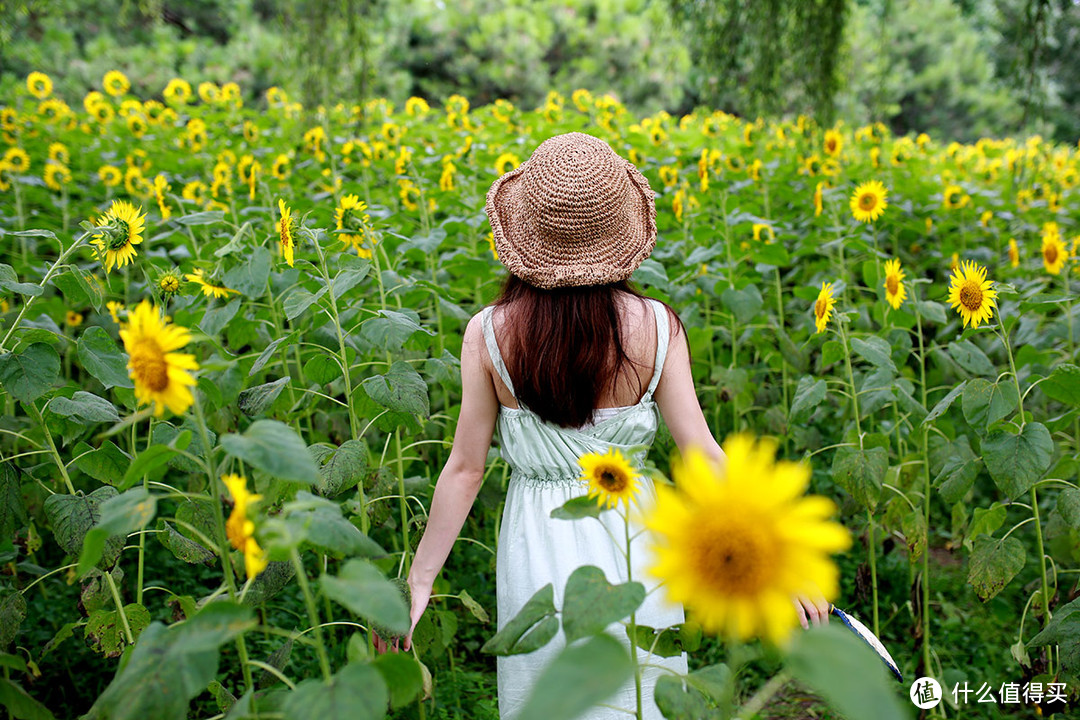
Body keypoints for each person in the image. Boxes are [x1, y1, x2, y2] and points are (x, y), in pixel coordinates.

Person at [373, 132, 833, 717]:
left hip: (535, 543)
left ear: (526, 234)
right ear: (620, 233)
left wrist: (418, 581)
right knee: (641, 691)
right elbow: (704, 456)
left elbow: (464, 470)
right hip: (635, 537)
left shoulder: (489, 333)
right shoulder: (657, 327)